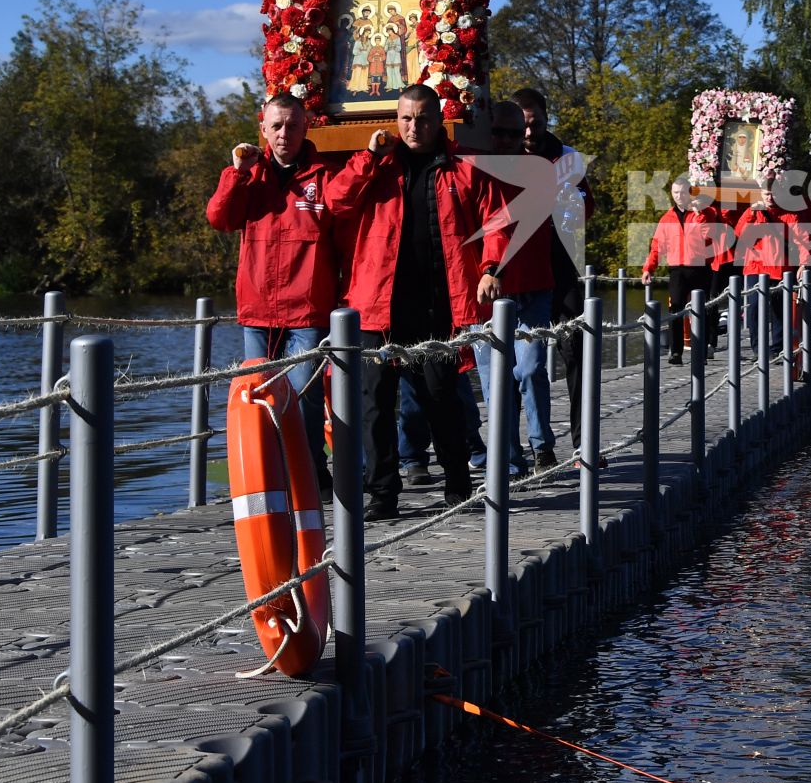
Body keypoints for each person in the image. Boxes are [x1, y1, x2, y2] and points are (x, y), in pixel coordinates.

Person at [328, 85, 511, 520]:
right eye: (407, 118)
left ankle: (457, 484)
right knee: (375, 405)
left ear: (438, 119)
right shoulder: (378, 165)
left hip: (438, 305)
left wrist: (491, 268)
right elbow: (335, 201)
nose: (415, 127)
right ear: (397, 119)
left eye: (424, 118)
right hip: (378, 304)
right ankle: (382, 495)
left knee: (441, 399)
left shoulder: (464, 167)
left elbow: (498, 219)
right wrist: (368, 158)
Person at [204, 93, 337, 492]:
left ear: (305, 128)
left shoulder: (323, 176)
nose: (284, 134)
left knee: (306, 399)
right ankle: (272, 478)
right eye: (276, 126)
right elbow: (219, 218)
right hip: (258, 311)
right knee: (259, 399)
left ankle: (311, 475)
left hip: (307, 311)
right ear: (263, 128)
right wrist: (235, 173)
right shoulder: (248, 175)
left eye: (292, 126)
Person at [509, 87, 591, 461]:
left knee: (577, 352)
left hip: (560, 266)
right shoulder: (504, 153)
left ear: (546, 119)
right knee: (522, 362)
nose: (529, 134)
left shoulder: (568, 158)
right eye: (523, 126)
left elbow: (588, 208)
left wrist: (566, 207)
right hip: (520, 271)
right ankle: (527, 447)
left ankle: (583, 442)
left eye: (535, 124)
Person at [642, 176, 727, 364]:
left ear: (690, 193)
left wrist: (699, 214)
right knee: (676, 309)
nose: (679, 196)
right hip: (677, 269)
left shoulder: (706, 212)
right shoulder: (667, 218)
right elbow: (657, 246)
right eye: (675, 193)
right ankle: (676, 352)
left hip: (699, 267)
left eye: (682, 192)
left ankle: (702, 350)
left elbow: (710, 235)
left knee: (701, 311)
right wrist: (649, 268)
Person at [733, 180, 792, 350]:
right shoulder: (751, 212)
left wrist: (804, 263)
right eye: (767, 194)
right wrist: (752, 213)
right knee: (754, 307)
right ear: (761, 194)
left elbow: (799, 238)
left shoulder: (787, 213)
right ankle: (757, 348)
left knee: (778, 309)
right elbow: (738, 233)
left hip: (779, 267)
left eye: (773, 194)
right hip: (755, 266)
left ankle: (777, 348)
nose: (770, 197)